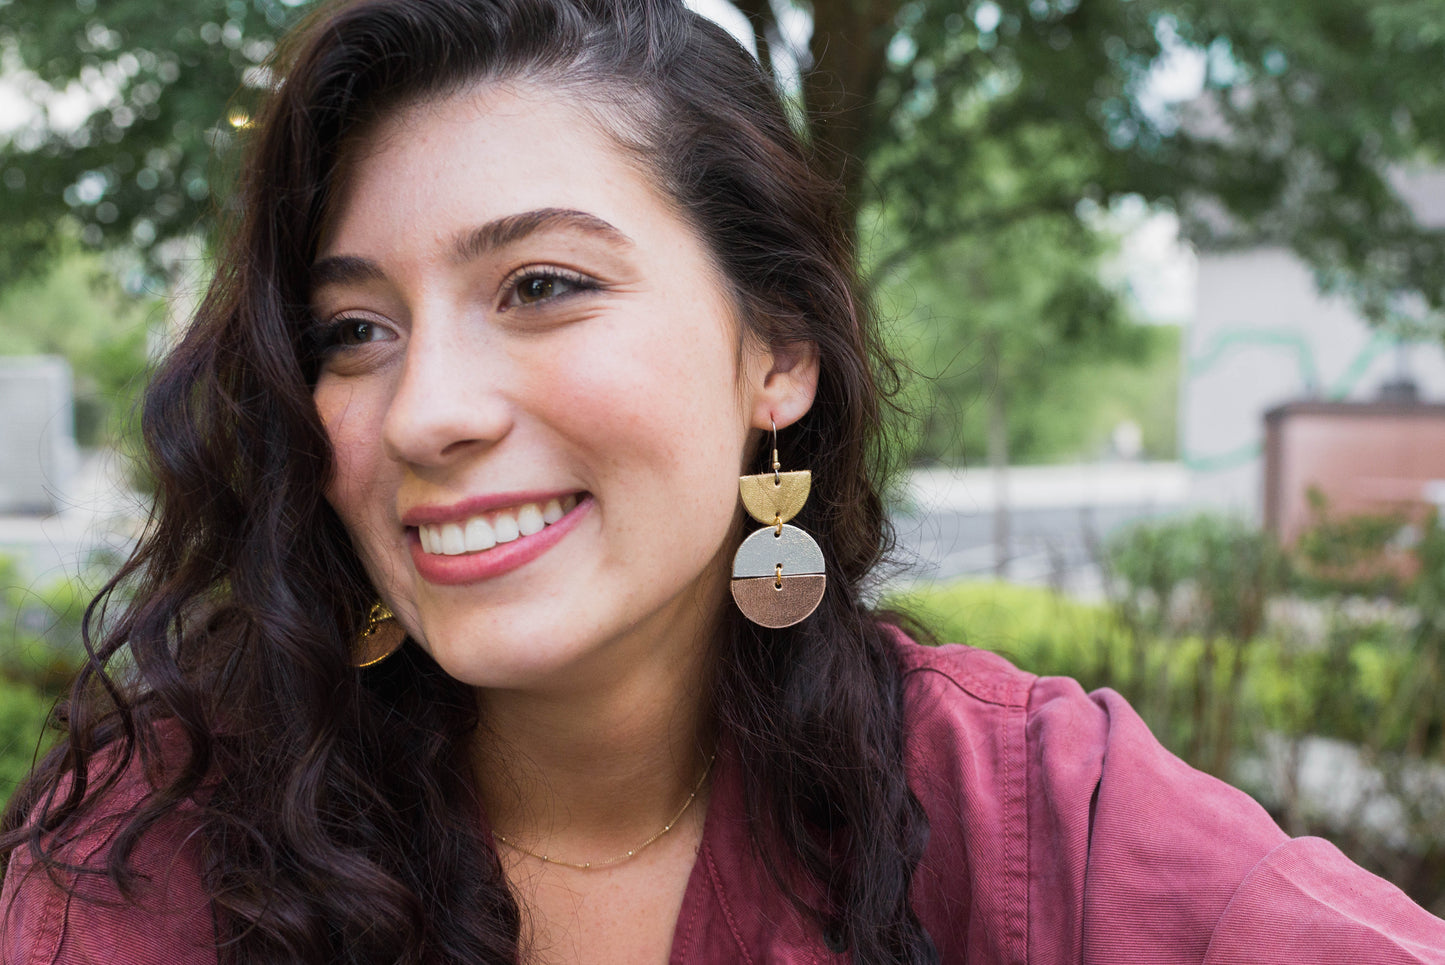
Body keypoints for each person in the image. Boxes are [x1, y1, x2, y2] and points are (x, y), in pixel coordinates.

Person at [2, 0, 1443, 962]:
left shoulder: (1029, 816)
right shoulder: (157, 854)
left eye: (543, 283)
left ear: (780, 357)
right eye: (352, 331)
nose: (424, 410)